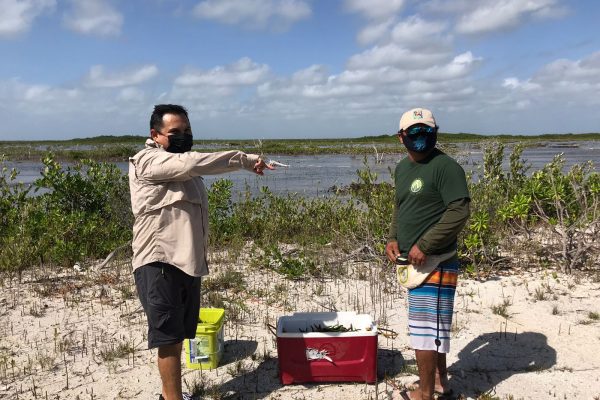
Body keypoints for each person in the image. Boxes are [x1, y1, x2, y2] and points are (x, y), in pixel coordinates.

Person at [129, 104, 273, 400]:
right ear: (155, 135)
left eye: (187, 131)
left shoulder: (184, 167)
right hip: (159, 261)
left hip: (187, 263)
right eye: (175, 132)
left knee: (180, 334)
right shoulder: (147, 161)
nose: (183, 136)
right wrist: (244, 160)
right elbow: (192, 162)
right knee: (168, 339)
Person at [385, 108, 470, 400]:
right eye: (414, 132)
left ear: (436, 132)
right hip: (413, 263)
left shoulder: (446, 167)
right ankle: (438, 383)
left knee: (425, 334)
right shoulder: (402, 168)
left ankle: (425, 395)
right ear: (401, 137)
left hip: (438, 262)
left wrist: (426, 244)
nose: (420, 137)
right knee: (433, 329)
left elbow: (459, 211)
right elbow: (401, 206)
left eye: (426, 131)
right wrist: (393, 238)